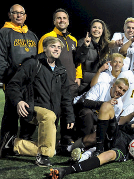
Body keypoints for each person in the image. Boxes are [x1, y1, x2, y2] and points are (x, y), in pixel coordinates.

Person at [3, 37, 75, 167]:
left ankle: (14, 143)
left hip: (51, 114)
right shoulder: (33, 63)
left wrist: (70, 116)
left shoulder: (61, 70)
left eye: (59, 47)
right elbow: (13, 85)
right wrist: (19, 101)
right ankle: (42, 157)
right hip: (32, 108)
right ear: (45, 48)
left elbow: (66, 96)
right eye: (53, 46)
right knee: (49, 116)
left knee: (51, 150)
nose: (56, 49)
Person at [49, 111, 134, 179]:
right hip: (119, 136)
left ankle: (65, 170)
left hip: (123, 149)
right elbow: (122, 127)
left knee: (109, 155)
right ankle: (66, 149)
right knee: (98, 131)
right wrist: (133, 126)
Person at [38, 8, 80, 145]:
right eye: (59, 18)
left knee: (68, 112)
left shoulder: (73, 40)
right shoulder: (47, 37)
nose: (62, 20)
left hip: (70, 84)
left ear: (68, 21)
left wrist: (78, 76)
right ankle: (50, 141)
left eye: (64, 18)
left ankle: (66, 140)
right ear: (54, 21)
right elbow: (41, 60)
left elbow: (77, 61)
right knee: (54, 113)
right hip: (53, 84)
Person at [0, 4, 38, 149]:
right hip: (13, 80)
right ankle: (6, 144)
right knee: (11, 113)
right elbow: (1, 57)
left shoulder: (31, 35)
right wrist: (7, 77)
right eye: (15, 13)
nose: (18, 15)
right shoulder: (4, 32)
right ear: (9, 15)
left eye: (21, 13)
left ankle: (23, 142)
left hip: (30, 82)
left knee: (28, 111)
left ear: (25, 16)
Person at [75, 19, 114, 94]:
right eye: (94, 27)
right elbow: (78, 59)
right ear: (90, 29)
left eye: (99, 28)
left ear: (102, 31)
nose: (96, 29)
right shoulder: (83, 42)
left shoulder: (104, 46)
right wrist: (85, 46)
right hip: (84, 84)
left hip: (97, 84)